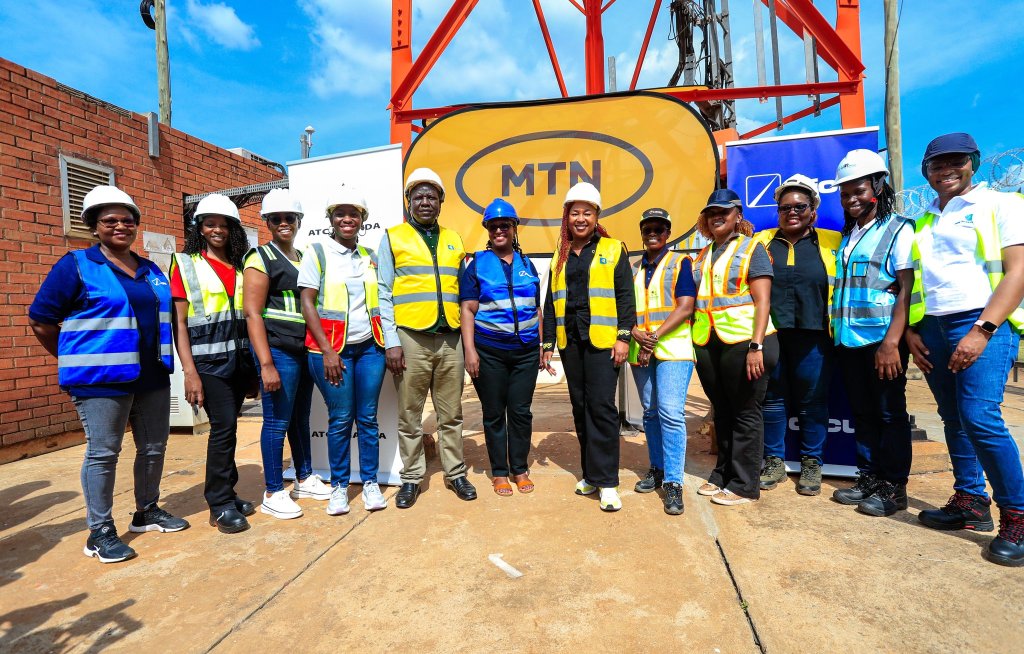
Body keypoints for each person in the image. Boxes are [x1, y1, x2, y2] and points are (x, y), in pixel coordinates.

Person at [29, 185, 189, 563]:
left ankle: (146, 511)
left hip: (151, 376)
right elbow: (41, 319)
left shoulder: (150, 270)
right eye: (110, 220)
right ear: (94, 226)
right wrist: (75, 357)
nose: (121, 226)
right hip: (100, 380)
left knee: (153, 447)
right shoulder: (76, 265)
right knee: (104, 453)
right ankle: (99, 531)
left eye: (127, 220)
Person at [905, 133, 1024, 566]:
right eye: (937, 164)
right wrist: (914, 330)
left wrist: (982, 329)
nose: (946, 170)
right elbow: (919, 282)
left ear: (973, 162)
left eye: (956, 161)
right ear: (927, 172)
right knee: (953, 418)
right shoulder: (924, 221)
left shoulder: (1002, 205)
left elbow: (1019, 271)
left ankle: (1018, 514)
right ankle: (971, 502)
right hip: (933, 327)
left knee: (981, 416)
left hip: (982, 322)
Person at [378, 168, 476, 508]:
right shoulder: (393, 237)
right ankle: (411, 478)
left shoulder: (454, 239)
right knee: (410, 415)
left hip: (450, 339)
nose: (424, 202)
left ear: (441, 202)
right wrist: (391, 340)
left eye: (431, 196)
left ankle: (456, 473)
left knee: (452, 413)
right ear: (408, 202)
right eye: (417, 196)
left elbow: (463, 292)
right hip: (411, 338)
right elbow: (383, 292)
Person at [830, 149, 915, 517]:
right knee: (863, 413)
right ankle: (869, 477)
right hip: (849, 340)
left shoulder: (899, 229)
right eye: (845, 193)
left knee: (889, 414)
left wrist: (892, 343)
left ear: (877, 187)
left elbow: (906, 290)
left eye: (858, 190)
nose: (851, 199)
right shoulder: (848, 236)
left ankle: (894, 488)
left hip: (882, 341)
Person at [541, 182, 636, 512]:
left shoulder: (613, 249)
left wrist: (624, 337)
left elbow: (625, 296)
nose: (580, 219)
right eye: (575, 213)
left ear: (597, 216)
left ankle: (609, 482)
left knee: (602, 408)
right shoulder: (560, 255)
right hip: (571, 342)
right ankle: (591, 475)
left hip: (603, 342)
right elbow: (551, 303)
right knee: (580, 408)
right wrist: (548, 342)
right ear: (567, 217)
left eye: (587, 212)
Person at [299, 186, 388, 515]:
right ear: (331, 219)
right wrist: (327, 351)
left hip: (369, 349)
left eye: (354, 214)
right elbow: (307, 302)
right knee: (340, 419)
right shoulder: (317, 252)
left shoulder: (370, 256)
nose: (347, 219)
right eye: (340, 214)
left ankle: (369, 482)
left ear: (362, 219)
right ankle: (338, 485)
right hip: (331, 352)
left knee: (367, 417)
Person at [171, 193, 256, 534]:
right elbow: (179, 323)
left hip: (240, 361)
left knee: (230, 427)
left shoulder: (240, 264)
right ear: (200, 229)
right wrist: (189, 373)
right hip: (208, 364)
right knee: (222, 429)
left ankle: (228, 492)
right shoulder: (186, 263)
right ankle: (219, 504)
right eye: (210, 224)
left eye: (224, 225)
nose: (217, 230)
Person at [243, 189, 330, 521]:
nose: (283, 224)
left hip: (302, 349)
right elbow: (253, 314)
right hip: (278, 351)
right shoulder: (260, 258)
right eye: (276, 219)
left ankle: (304, 477)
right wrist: (266, 363)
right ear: (267, 222)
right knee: (277, 420)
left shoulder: (302, 255)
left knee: (299, 418)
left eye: (289, 218)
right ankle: (273, 490)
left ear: (298, 221)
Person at [755, 175, 841, 496]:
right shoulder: (761, 241)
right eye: (785, 207)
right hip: (772, 335)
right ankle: (774, 461)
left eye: (800, 206)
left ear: (813, 210)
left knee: (812, 402)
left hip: (815, 335)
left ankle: (811, 463)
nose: (792, 212)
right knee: (773, 399)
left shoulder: (833, 242)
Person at [692, 188, 778, 506]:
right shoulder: (702, 256)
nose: (717, 216)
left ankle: (744, 484)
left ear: (737, 215)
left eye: (724, 211)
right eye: (712, 212)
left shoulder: (751, 248)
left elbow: (763, 300)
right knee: (724, 411)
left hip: (745, 342)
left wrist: (756, 345)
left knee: (745, 412)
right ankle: (723, 473)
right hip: (709, 342)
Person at [460, 199, 548, 497]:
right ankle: (500, 472)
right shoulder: (477, 265)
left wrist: (540, 345)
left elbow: (536, 309)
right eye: (494, 225)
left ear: (514, 229)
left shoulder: (527, 264)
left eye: (505, 225)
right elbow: (468, 310)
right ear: (487, 229)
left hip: (524, 352)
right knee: (495, 412)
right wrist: (470, 351)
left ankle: (519, 468)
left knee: (521, 411)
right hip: (489, 351)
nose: (499, 230)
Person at [628, 207, 696, 515]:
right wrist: (635, 334)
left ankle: (673, 482)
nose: (652, 233)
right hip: (640, 349)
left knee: (670, 412)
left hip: (672, 349)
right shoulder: (634, 269)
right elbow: (625, 310)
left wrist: (652, 337)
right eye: (647, 229)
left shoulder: (680, 262)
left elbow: (685, 307)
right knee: (651, 412)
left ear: (668, 233)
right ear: (642, 233)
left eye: (659, 228)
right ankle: (656, 468)